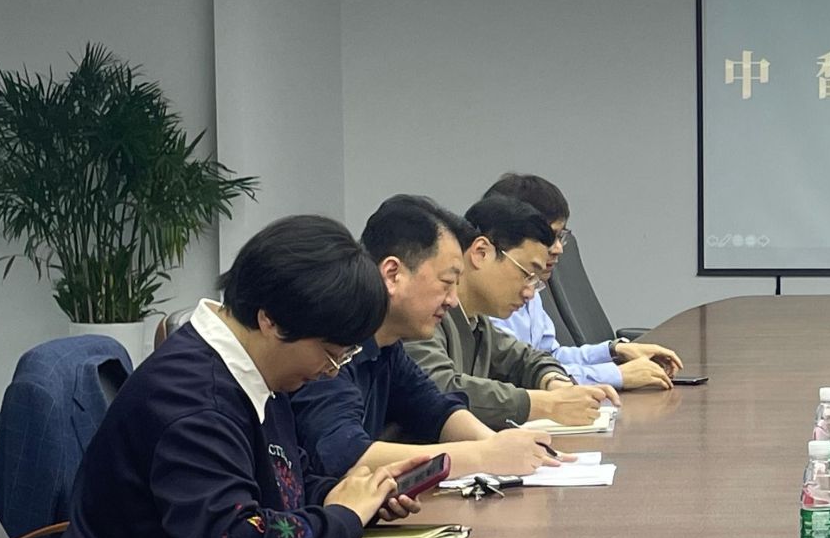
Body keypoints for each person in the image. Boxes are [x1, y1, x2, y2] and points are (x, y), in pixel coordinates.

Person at [40, 216, 426, 538]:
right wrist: (342, 519)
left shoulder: (256, 372)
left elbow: (284, 482)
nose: (332, 371)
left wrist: (356, 495)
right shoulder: (194, 400)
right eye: (330, 353)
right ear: (271, 319)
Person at [291, 195, 565, 480]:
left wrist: (497, 444)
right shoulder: (331, 340)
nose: (453, 300)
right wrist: (483, 455)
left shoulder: (388, 345)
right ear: (393, 274)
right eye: (446, 283)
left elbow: (436, 409)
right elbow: (344, 454)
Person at [403, 194, 619, 428]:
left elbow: (525, 360)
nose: (530, 292)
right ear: (481, 252)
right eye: (526, 274)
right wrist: (545, 404)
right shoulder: (421, 317)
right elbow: (440, 388)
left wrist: (556, 383)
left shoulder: (477, 323)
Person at [484, 172, 680, 390]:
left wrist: (614, 351)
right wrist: (615, 374)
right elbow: (516, 377)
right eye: (549, 237)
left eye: (560, 236)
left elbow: (549, 357)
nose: (558, 249)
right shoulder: (489, 304)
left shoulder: (530, 288)